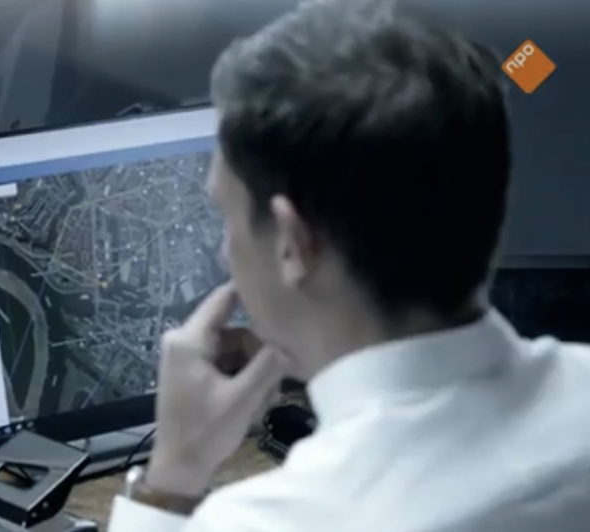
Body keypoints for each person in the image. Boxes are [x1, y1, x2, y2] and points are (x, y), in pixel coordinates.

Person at [108, 0, 590, 530]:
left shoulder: (271, 520)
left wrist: (173, 474)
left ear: (293, 242)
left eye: (227, 217)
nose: (226, 252)